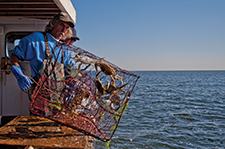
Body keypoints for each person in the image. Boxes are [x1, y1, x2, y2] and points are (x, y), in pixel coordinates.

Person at [10, 12, 75, 91]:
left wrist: (72, 85)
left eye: (67, 27)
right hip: (38, 92)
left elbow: (70, 70)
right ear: (53, 23)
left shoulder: (64, 48)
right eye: (61, 25)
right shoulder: (35, 38)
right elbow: (14, 56)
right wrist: (19, 74)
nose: (64, 30)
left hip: (58, 94)